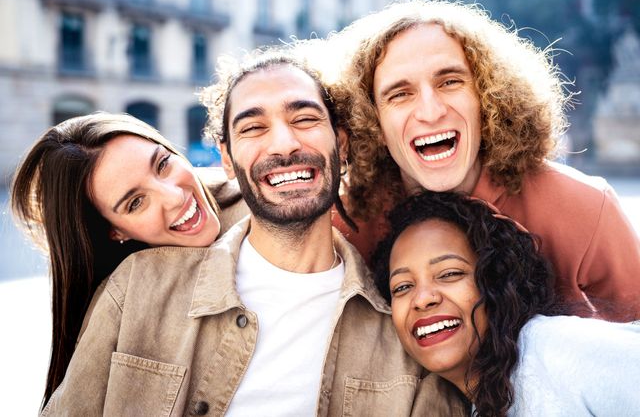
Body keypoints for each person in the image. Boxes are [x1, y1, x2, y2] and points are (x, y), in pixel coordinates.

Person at [39, 53, 465, 416]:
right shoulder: (135, 289)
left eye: (304, 117)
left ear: (342, 144)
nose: (283, 144)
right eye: (253, 128)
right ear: (226, 158)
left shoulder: (407, 337)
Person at [321, 0, 640, 321]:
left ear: (489, 97)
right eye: (400, 94)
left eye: (450, 82)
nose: (431, 112)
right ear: (369, 118)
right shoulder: (342, 226)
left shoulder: (584, 208)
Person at [10, 112, 236, 407]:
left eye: (163, 164)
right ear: (115, 231)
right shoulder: (116, 306)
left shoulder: (262, 202)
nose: (174, 198)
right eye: (136, 202)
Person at [372, 191, 640, 416]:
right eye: (403, 287)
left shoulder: (556, 348)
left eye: (450, 274)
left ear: (494, 280)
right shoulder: (484, 401)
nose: (422, 298)